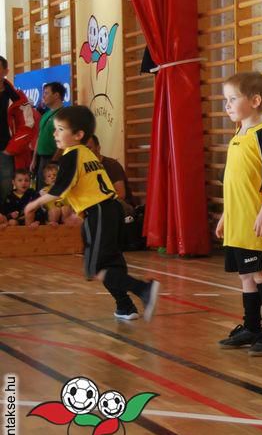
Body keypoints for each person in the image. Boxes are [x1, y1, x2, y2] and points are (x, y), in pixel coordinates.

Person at [24, 106, 160, 322]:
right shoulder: (87, 154)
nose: (55, 134)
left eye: (60, 129)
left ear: (78, 135)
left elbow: (60, 188)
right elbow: (81, 187)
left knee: (95, 269)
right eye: (55, 129)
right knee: (112, 264)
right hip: (112, 209)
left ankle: (143, 289)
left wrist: (33, 204)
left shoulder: (71, 155)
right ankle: (125, 306)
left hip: (99, 212)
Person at [216, 72, 262, 357]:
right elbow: (235, 184)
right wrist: (225, 215)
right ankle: (251, 327)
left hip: (255, 221)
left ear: (255, 101)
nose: (227, 105)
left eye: (233, 99)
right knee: (246, 276)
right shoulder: (238, 135)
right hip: (237, 221)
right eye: (226, 100)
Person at [1, 56, 37, 203]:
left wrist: (9, 150)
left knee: (6, 193)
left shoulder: (17, 98)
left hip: (7, 154)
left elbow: (28, 126)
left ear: (5, 71)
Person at [86, 134, 137, 215]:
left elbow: (121, 195)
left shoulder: (111, 165)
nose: (85, 152)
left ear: (98, 148)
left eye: (88, 148)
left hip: (122, 207)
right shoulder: (82, 167)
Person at [33, 81, 66, 189]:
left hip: (54, 158)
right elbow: (39, 137)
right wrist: (34, 159)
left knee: (52, 190)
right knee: (41, 190)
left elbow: (64, 141)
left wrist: (54, 161)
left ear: (56, 95)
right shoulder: (45, 115)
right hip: (42, 159)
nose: (43, 96)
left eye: (46, 93)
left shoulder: (63, 114)